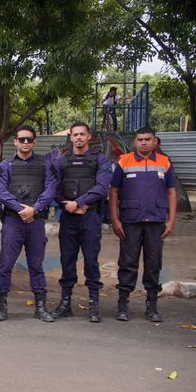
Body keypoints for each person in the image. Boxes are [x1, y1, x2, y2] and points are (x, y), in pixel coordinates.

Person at [110, 126, 176, 322]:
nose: (144, 142)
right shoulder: (124, 161)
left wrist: (171, 221)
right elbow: (113, 191)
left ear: (155, 142)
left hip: (156, 221)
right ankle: (123, 306)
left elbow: (171, 192)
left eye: (148, 139)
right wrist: (115, 219)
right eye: (140, 139)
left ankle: (152, 307)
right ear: (135, 142)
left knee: (153, 263)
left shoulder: (164, 162)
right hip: (130, 221)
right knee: (127, 263)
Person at [0, 125, 58, 322]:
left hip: (36, 221)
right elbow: (2, 192)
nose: (26, 143)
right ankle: (2, 306)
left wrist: (35, 209)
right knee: (6, 264)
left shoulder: (45, 164)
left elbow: (50, 189)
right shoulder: (5, 165)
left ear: (34, 142)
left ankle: (40, 306)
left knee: (36, 265)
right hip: (14, 221)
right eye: (22, 139)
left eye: (29, 139)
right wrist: (22, 210)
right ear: (15, 142)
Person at [51, 122, 111, 322]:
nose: (78, 138)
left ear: (89, 137)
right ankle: (65, 303)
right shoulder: (62, 160)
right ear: (70, 137)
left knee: (91, 261)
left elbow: (102, 188)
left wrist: (79, 202)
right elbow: (53, 187)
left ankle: (93, 305)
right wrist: (67, 204)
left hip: (90, 217)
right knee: (67, 260)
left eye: (82, 134)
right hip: (68, 217)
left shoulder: (99, 159)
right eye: (75, 134)